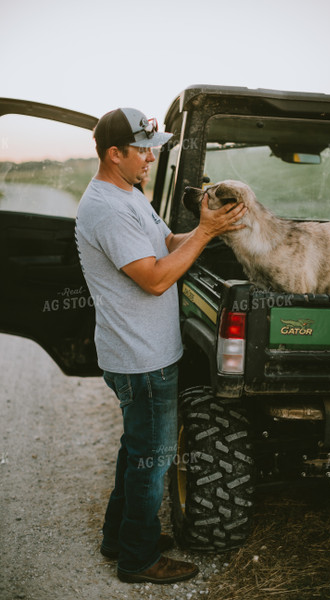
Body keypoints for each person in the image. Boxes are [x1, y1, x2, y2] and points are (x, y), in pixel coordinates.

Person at [75, 107, 246, 585]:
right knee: (153, 461)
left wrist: (208, 228)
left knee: (136, 451)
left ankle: (119, 538)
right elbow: (152, 279)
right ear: (115, 153)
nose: (151, 158)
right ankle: (138, 559)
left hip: (144, 353)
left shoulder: (128, 194)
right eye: (143, 150)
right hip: (142, 360)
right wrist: (209, 232)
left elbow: (166, 241)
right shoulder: (106, 210)